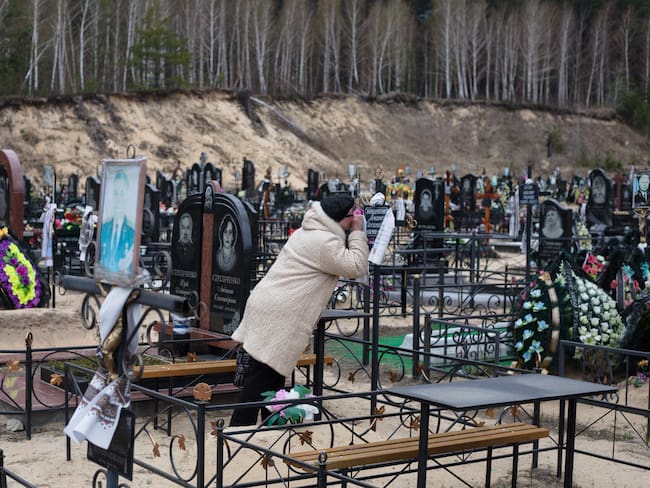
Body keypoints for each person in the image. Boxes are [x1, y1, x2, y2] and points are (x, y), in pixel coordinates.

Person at [229, 193, 369, 426]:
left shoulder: (311, 232)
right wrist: (357, 232)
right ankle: (236, 431)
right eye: (352, 215)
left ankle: (270, 426)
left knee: (271, 376)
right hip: (279, 314)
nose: (354, 218)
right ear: (340, 218)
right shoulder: (324, 242)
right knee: (261, 378)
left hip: (270, 307)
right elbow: (356, 266)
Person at [99, 170, 136, 275]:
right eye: (115, 193)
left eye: (122, 193)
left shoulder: (131, 231)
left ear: (126, 197)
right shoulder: (104, 228)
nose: (118, 198)